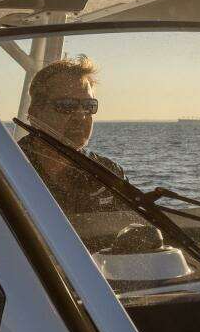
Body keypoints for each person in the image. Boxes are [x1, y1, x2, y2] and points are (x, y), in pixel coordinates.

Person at [19, 55, 126, 214]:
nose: (81, 116)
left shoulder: (109, 174)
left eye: (89, 106)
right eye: (67, 105)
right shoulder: (6, 172)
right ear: (35, 111)